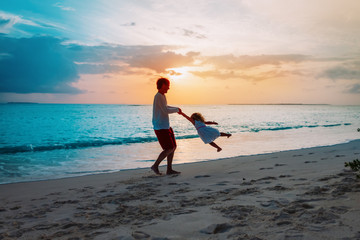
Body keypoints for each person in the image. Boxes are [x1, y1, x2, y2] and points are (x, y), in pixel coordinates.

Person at [151, 77, 181, 175]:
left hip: (165, 125)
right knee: (169, 148)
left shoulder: (162, 95)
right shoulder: (158, 96)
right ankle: (155, 166)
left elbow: (166, 107)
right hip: (160, 126)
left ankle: (169, 169)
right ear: (161, 86)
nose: (168, 88)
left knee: (173, 147)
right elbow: (165, 110)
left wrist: (177, 109)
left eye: (168, 86)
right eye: (166, 86)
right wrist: (176, 110)